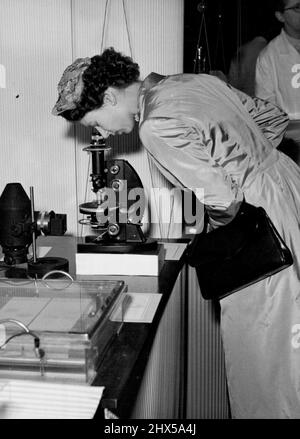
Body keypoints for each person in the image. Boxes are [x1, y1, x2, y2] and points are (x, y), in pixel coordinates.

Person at [52, 48, 300, 419]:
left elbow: (224, 202)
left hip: (261, 231)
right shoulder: (193, 82)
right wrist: (251, 165)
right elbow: (273, 119)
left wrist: (215, 236)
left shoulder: (155, 125)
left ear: (108, 97)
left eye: (95, 123)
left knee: (266, 360)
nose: (102, 133)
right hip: (288, 192)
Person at [255, 0, 300, 159]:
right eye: (297, 7)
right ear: (280, 16)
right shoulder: (269, 56)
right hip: (292, 149)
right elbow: (267, 114)